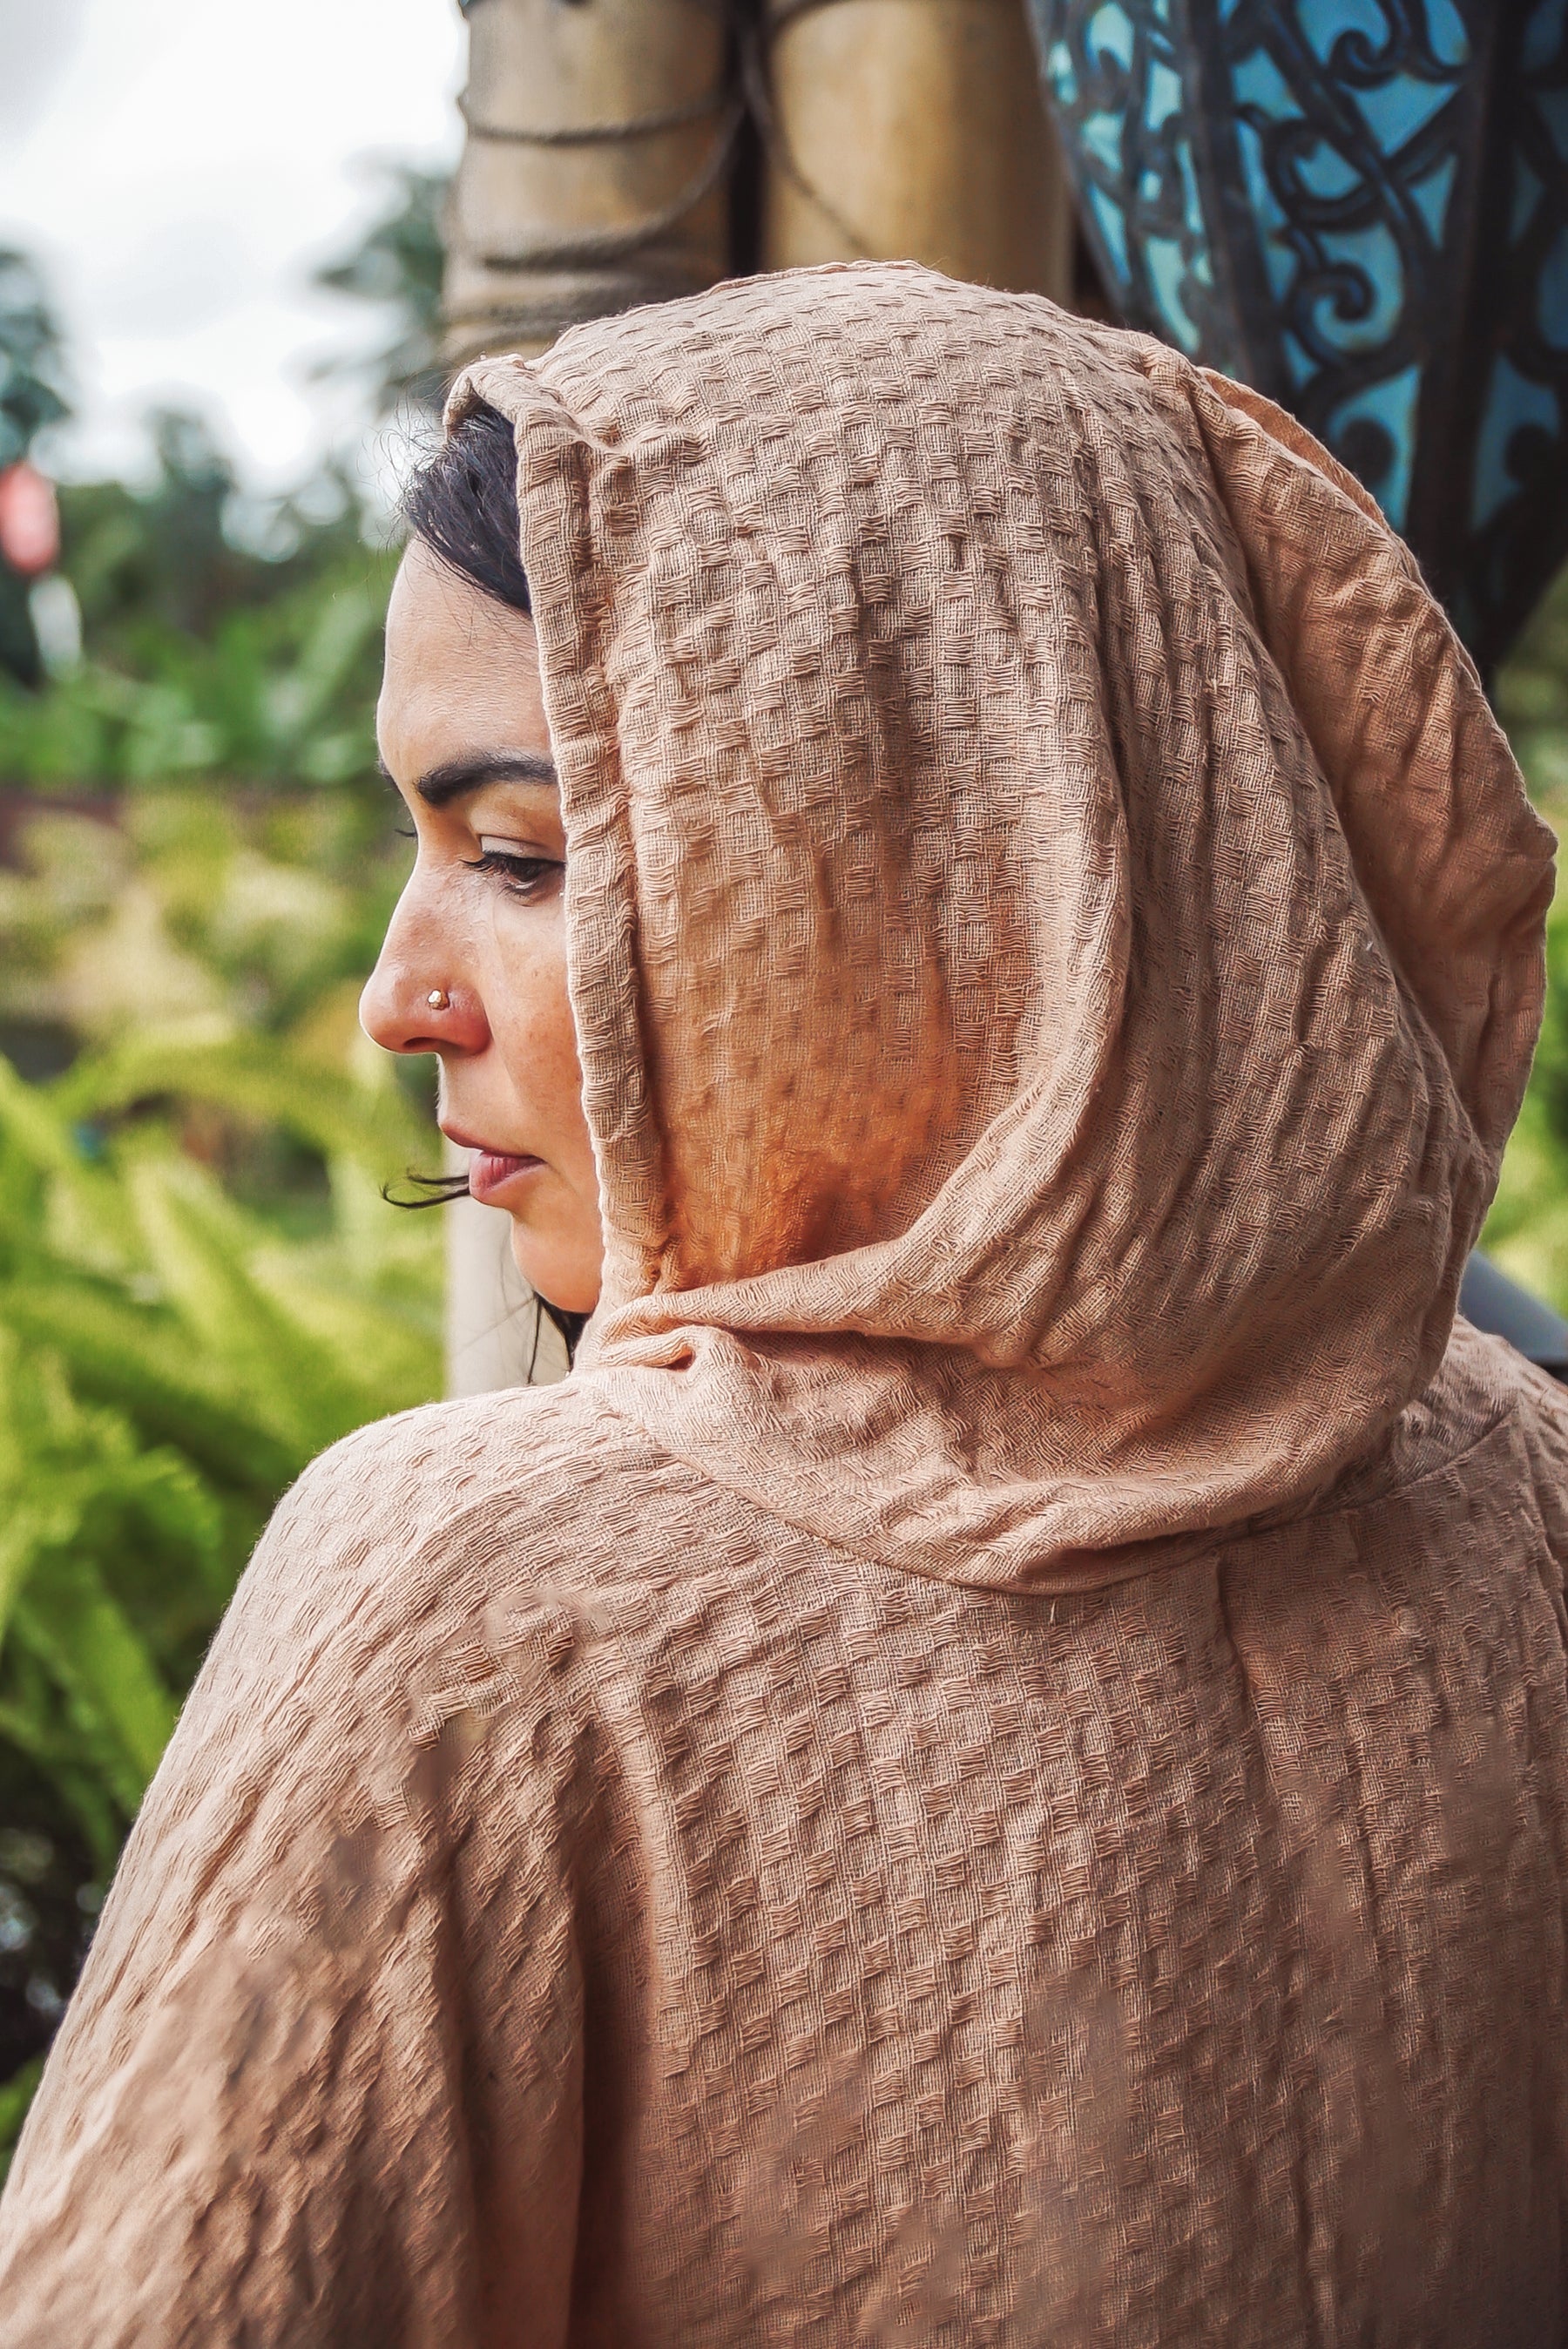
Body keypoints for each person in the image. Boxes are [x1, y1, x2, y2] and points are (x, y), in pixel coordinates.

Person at [2, 261, 1565, 2344]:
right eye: (423, 848)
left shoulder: (469, 1616)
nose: (396, 993)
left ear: (926, 852)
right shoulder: (1525, 1491)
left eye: (529, 858)